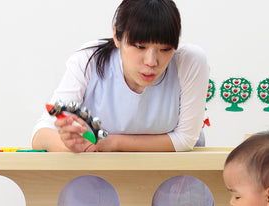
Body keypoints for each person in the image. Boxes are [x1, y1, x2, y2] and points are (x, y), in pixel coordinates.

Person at [31, 0, 209, 153]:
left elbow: (185, 139)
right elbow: (41, 134)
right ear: (116, 36)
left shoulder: (189, 61)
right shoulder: (89, 59)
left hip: (173, 175)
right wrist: (72, 146)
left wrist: (113, 143)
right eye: (140, 47)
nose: (151, 62)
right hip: (102, 174)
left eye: (165, 49)